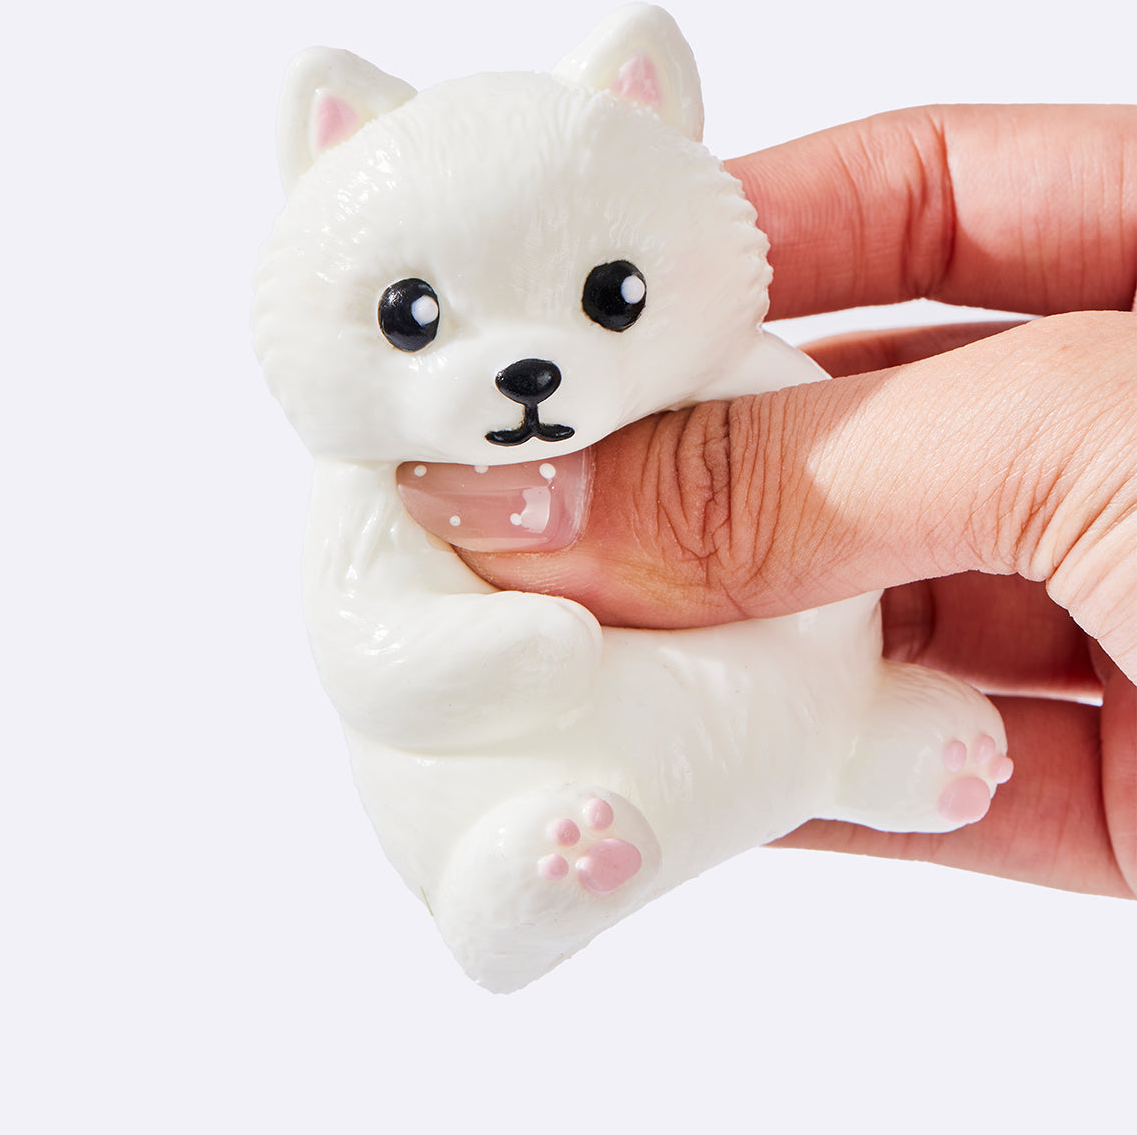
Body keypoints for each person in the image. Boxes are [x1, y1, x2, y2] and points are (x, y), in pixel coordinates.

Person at [409, 104, 1137, 900]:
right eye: (415, 320)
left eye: (612, 295)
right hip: (572, 756)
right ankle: (516, 877)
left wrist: (741, 497)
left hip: (810, 695)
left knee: (827, 706)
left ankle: (853, 747)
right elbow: (375, 661)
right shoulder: (379, 500)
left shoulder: (732, 364)